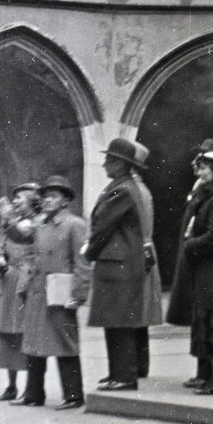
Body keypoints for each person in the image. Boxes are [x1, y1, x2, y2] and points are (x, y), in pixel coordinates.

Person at [166, 139, 213, 394]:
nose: (198, 172)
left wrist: (191, 244)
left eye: (204, 168)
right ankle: (207, 377)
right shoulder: (210, 197)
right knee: (205, 322)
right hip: (207, 272)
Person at [20, 175, 91, 409]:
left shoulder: (75, 225)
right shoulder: (40, 225)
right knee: (34, 344)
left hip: (61, 293)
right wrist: (26, 286)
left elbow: (82, 263)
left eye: (53, 196)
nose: (47, 200)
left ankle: (73, 395)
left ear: (65, 200)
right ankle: (33, 394)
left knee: (65, 343)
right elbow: (32, 257)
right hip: (39, 293)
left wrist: (78, 294)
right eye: (45, 196)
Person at [84, 139, 147, 392]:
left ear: (121, 164)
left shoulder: (121, 190)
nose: (104, 164)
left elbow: (102, 225)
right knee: (115, 321)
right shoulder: (122, 186)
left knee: (119, 322)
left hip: (119, 265)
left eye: (109, 160)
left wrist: (89, 252)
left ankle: (124, 376)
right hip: (119, 264)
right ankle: (117, 373)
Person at [0, 186, 37, 401]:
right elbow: (4, 246)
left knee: (24, 331)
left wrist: (7, 217)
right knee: (7, 332)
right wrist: (0, 260)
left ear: (31, 201)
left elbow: (21, 235)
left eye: (19, 198)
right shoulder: (10, 222)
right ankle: (11, 384)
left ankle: (31, 386)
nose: (15, 202)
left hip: (25, 280)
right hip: (9, 279)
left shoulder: (35, 222)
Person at [130, 142, 161, 381]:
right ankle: (141, 364)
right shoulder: (142, 189)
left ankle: (137, 365)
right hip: (144, 251)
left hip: (138, 254)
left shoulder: (135, 190)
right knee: (139, 314)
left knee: (135, 312)